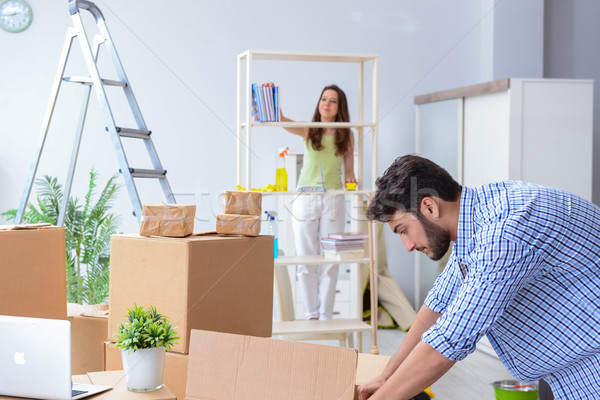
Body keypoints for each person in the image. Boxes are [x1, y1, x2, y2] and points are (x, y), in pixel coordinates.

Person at [358, 154, 600, 399]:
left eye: (404, 230)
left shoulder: (503, 233)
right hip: (565, 373)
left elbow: (449, 341)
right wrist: (387, 376)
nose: (408, 245)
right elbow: (439, 303)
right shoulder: (477, 219)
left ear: (429, 207)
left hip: (590, 372)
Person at [271, 82, 356, 320]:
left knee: (331, 259)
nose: (326, 104)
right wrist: (272, 99)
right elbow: (282, 120)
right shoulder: (310, 129)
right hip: (306, 197)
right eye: (323, 99)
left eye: (332, 101)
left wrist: (351, 179)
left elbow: (349, 169)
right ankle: (311, 314)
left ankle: (326, 315)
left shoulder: (347, 134)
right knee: (307, 259)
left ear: (340, 108)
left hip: (334, 198)